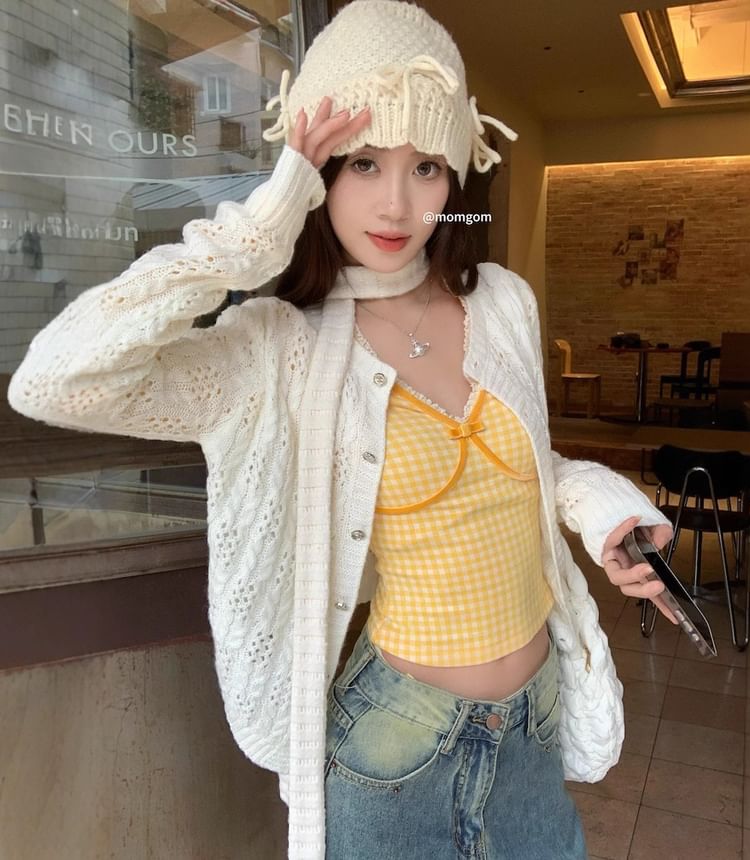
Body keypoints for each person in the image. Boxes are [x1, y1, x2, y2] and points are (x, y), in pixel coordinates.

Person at [7, 2, 675, 858]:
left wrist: (605, 507)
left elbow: (525, 464)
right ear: (318, 171)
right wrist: (261, 227)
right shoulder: (277, 349)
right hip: (397, 744)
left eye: (425, 167)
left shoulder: (503, 303)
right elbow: (57, 378)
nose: (397, 203)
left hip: (532, 725)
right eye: (363, 163)